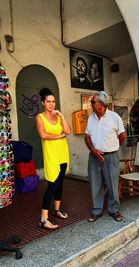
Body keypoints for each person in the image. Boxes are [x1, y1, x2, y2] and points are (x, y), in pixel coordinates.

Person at [85, 91, 126, 222]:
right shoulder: (91, 118)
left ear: (101, 104)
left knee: (112, 185)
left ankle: (114, 210)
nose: (91, 104)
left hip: (110, 157)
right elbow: (86, 137)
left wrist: (112, 148)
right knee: (95, 185)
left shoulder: (114, 117)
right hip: (94, 157)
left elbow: (122, 136)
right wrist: (93, 150)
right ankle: (96, 211)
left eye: (93, 102)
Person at [35, 88, 71, 230]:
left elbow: (68, 131)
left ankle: (56, 210)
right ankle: (43, 219)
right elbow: (43, 135)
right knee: (52, 185)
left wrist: (61, 115)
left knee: (60, 183)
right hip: (51, 155)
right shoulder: (40, 117)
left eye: (53, 101)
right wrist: (60, 136)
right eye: (48, 102)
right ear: (43, 103)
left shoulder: (57, 116)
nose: (51, 104)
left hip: (63, 153)